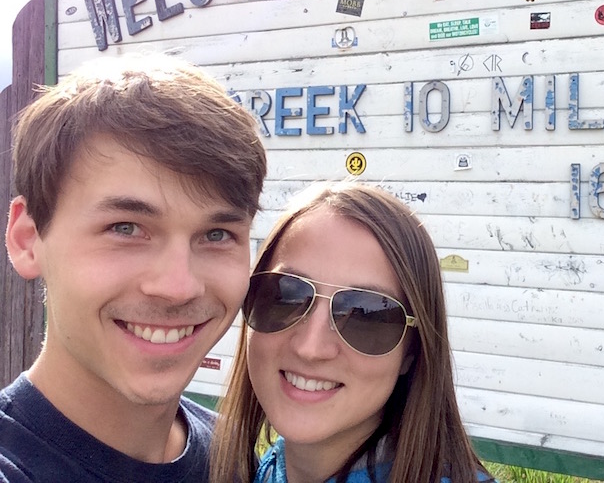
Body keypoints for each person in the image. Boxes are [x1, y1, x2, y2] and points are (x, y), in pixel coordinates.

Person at [0, 55, 267, 482]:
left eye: (216, 234)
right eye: (125, 228)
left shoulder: (236, 459)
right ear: (27, 239)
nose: (178, 287)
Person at [210, 183, 495, 483]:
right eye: (285, 296)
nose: (311, 348)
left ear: (411, 352)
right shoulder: (261, 469)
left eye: (365, 315)